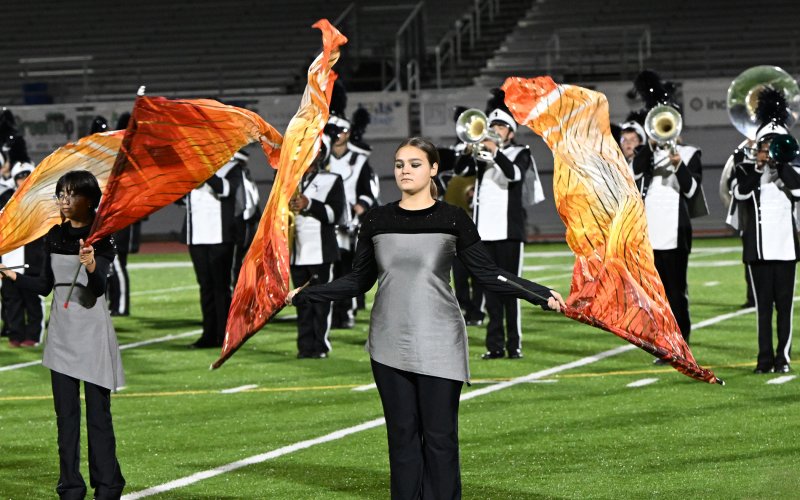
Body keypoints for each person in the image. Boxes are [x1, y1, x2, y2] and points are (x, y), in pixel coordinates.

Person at [287, 137, 565, 499]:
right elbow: (358, 281)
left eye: (415, 164)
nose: (405, 170)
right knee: (401, 437)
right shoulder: (377, 219)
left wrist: (539, 293)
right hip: (388, 341)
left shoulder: (452, 218)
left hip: (440, 339)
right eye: (400, 163)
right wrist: (306, 294)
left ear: (433, 169)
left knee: (439, 437)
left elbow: (487, 273)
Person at [0, 170, 125, 499]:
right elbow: (44, 287)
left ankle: (108, 484)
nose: (64, 200)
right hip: (62, 334)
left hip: (93, 332)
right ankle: (70, 485)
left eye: (71, 194)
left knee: (99, 415)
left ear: (90, 199)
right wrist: (10, 274)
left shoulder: (104, 236)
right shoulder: (53, 235)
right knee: (66, 417)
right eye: (61, 194)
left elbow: (98, 290)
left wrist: (92, 264)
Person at [455, 88, 538, 360]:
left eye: (501, 127)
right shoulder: (481, 154)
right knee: (489, 292)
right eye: (492, 126)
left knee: (511, 290)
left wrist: (495, 152)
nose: (494, 130)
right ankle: (495, 345)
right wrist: (470, 150)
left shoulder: (521, 153)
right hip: (483, 234)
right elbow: (460, 171)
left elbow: (514, 175)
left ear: (511, 132)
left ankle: (514, 344)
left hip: (509, 233)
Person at [630, 71, 705, 359]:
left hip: (676, 230)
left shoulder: (689, 153)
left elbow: (690, 190)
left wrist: (677, 164)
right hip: (649, 232)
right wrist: (648, 149)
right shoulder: (644, 154)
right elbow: (635, 175)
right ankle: (662, 343)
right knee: (655, 295)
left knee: (676, 292)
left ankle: (681, 345)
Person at [730, 88, 800, 374]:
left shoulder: (791, 169)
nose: (768, 149)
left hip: (785, 250)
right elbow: (740, 194)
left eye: (773, 144)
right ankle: (763, 359)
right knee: (763, 310)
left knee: (785, 307)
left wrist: (780, 163)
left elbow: (797, 190)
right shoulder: (747, 171)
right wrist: (759, 168)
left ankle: (782, 358)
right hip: (757, 250)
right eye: (764, 144)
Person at [325, 81, 378, 328]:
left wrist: (359, 207)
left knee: (347, 272)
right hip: (326, 223)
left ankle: (345, 312)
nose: (336, 137)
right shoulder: (320, 159)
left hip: (350, 225)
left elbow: (368, 191)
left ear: (347, 133)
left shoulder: (359, 160)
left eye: (340, 132)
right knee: (328, 272)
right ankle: (328, 312)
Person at [289, 138, 347, 358]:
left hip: (320, 250)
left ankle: (320, 345)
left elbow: (336, 214)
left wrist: (309, 204)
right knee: (302, 303)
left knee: (320, 303)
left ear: (319, 155)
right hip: (296, 249)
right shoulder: (287, 180)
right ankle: (304, 346)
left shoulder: (331, 180)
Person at [183, 155, 243, 348]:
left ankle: (225, 335)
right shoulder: (191, 169)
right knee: (205, 287)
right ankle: (208, 335)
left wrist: (205, 172)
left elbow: (226, 190)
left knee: (221, 288)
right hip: (197, 236)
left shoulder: (232, 168)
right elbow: (180, 199)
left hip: (220, 237)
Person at [0, 161, 45, 347]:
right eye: (20, 177)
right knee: (12, 301)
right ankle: (15, 334)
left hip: (32, 259)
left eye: (26, 176)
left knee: (32, 301)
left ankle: (33, 335)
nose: (23, 180)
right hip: (9, 258)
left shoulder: (40, 200)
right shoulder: (5, 198)